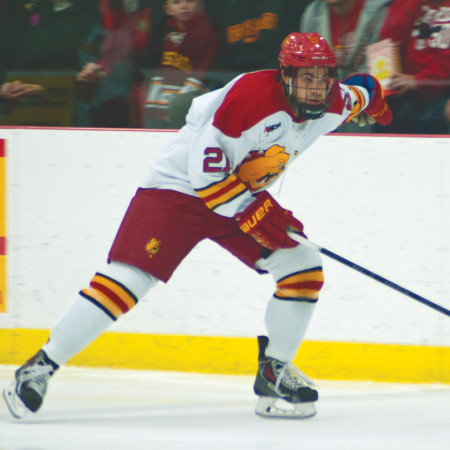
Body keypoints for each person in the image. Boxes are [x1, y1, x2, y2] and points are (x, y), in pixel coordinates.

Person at [2, 32, 392, 420]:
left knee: (303, 267)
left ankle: (275, 371)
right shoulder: (249, 98)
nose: (315, 87)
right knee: (128, 279)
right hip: (179, 190)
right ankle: (41, 367)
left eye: (323, 77)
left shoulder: (332, 100)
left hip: (237, 194)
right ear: (285, 75)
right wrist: (254, 212)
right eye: (305, 77)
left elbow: (365, 88)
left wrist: (377, 104)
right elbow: (205, 176)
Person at [300, 0, 391, 132]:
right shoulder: (313, 15)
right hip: (327, 111)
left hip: (370, 109)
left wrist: (356, 96)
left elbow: (383, 69)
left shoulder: (380, 11)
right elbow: (308, 69)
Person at [375, 0, 450, 134]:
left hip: (442, 89)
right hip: (408, 89)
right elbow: (387, 43)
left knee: (430, 120)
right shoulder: (405, 4)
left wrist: (419, 80)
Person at [144, 0, 217, 129]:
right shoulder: (168, 35)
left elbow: (198, 74)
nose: (183, 6)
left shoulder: (204, 34)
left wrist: (175, 108)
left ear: (199, 4)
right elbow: (162, 71)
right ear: (168, 9)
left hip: (184, 110)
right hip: (162, 108)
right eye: (176, 2)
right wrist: (151, 105)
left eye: (189, 1)